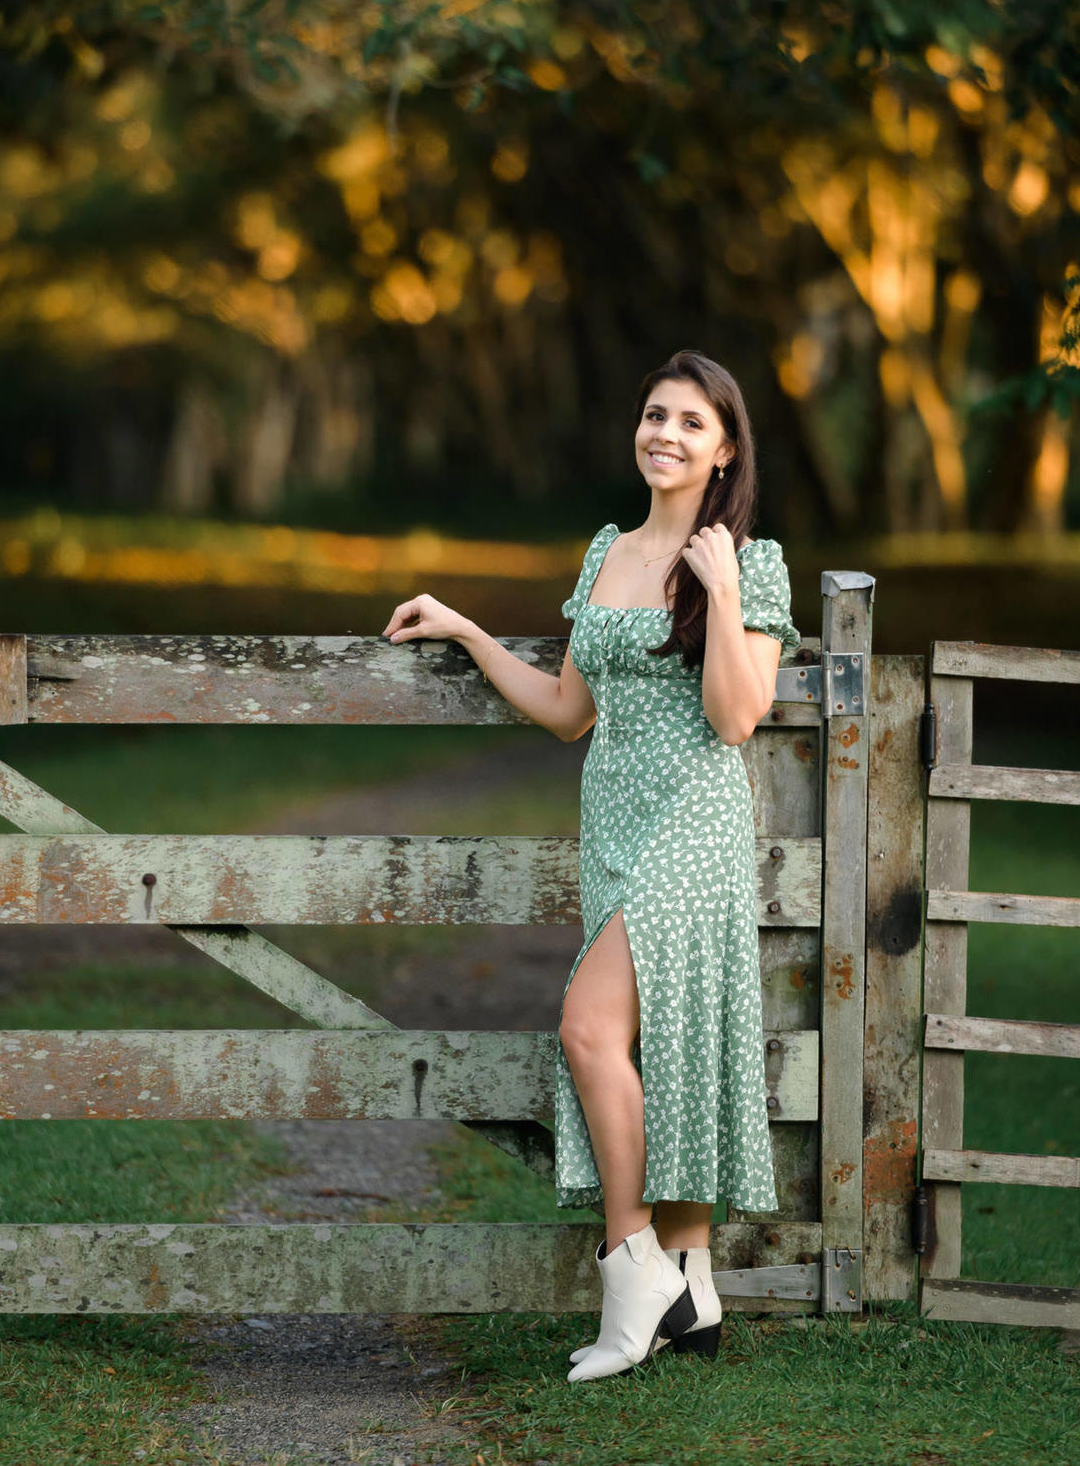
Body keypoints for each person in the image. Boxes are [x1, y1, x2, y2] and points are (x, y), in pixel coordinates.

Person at [381, 348, 801, 1383]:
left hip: (692, 829)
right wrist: (469, 629)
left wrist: (717, 586)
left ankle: (632, 1269)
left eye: (692, 423)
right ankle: (695, 1294)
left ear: (726, 447)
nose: (666, 433)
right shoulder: (607, 551)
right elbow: (571, 713)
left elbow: (739, 718)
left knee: (587, 1027)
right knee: (659, 1049)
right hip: (609, 829)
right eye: (655, 415)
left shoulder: (754, 561)